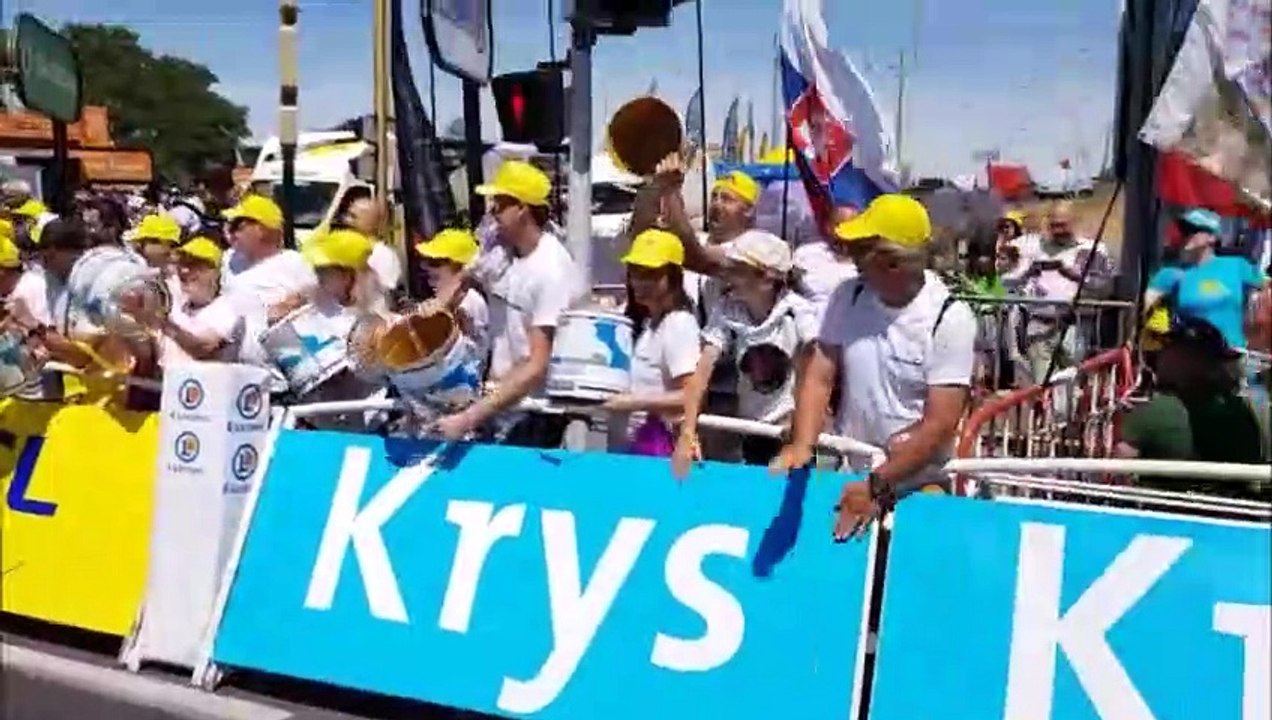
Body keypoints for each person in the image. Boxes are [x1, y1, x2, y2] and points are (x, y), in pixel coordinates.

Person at [771, 194, 977, 540]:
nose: (848, 255)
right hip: (853, 472)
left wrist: (877, 484)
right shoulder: (847, 296)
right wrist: (802, 444)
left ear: (890, 261)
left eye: (857, 250)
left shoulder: (950, 318)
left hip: (917, 481)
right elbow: (820, 375)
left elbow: (940, 424)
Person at [431, 160, 582, 446]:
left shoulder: (552, 269)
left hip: (533, 415)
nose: (492, 213)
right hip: (499, 406)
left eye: (499, 205)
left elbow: (537, 365)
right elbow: (462, 281)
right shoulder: (505, 255)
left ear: (522, 208)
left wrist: (469, 418)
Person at [674, 230, 819, 472]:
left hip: (791, 434)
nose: (728, 277)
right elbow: (702, 372)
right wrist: (688, 432)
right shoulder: (728, 309)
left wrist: (797, 436)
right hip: (751, 432)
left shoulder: (798, 312)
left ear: (767, 278)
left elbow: (813, 370)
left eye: (737, 270)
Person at [1117, 317, 1268, 496]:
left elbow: (1117, 468)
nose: (1161, 356)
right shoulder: (1244, 410)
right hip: (1233, 506)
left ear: (1183, 358)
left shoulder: (1156, 411)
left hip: (1165, 507)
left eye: (1168, 349)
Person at [606, 229, 701, 456]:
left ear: (673, 277)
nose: (640, 281)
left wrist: (631, 403)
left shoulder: (679, 324)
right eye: (635, 271)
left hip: (660, 450)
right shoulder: (647, 325)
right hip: (631, 450)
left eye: (651, 273)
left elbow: (691, 396)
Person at [1013, 201, 1115, 383]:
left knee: (1070, 382)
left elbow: (1104, 287)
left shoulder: (1093, 250)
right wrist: (1028, 272)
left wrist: (1074, 276)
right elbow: (1011, 280)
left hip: (1075, 326)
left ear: (1074, 221)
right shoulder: (1035, 248)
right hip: (1040, 325)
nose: (1058, 230)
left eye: (1062, 225)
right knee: (1042, 384)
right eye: (1054, 225)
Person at [219, 194, 318, 380]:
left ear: (261, 230)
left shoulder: (293, 262)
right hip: (237, 374)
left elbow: (319, 300)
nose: (232, 232)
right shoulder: (229, 260)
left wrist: (291, 304)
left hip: (280, 375)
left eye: (238, 226)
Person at [1144, 208, 1269, 352]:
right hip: (1189, 355)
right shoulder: (1169, 274)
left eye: (1193, 230)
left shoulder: (1237, 266)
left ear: (1212, 237)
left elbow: (1267, 288)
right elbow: (1147, 311)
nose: (1187, 235)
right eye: (1184, 230)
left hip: (1232, 355)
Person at [134, 237, 244, 365]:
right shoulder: (175, 304)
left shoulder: (227, 308)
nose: (184, 270)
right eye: (181, 264)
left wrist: (163, 323)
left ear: (214, 272)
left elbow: (204, 348)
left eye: (193, 265)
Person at [414, 228, 490, 358]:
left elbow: (470, 355)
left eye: (435, 263)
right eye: (426, 261)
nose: (426, 267)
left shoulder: (470, 301)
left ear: (459, 268)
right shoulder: (449, 298)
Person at [332, 187, 402, 300]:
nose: (345, 220)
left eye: (353, 216)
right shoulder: (336, 246)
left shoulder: (383, 255)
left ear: (369, 221)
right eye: (347, 214)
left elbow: (387, 293)